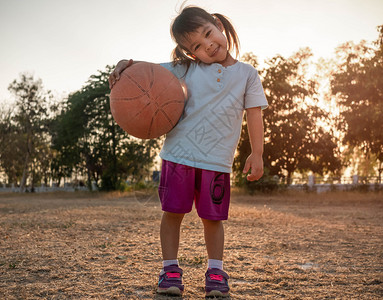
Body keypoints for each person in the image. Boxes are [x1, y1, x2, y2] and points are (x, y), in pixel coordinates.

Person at [109, 5, 268, 297]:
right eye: (197, 45)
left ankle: (216, 272)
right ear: (191, 53)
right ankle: (170, 270)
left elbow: (254, 114)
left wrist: (256, 153)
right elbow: (149, 73)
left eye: (208, 34)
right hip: (178, 156)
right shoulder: (186, 69)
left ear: (218, 25)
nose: (208, 45)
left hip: (217, 162)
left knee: (213, 219)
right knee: (172, 213)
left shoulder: (247, 75)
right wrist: (126, 64)